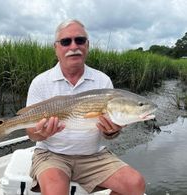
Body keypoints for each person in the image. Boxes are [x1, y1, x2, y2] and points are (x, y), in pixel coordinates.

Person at [26, 19, 145, 195]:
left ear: (87, 45)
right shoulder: (40, 82)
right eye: (66, 41)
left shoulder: (102, 81)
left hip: (94, 156)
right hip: (52, 155)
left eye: (80, 40)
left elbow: (110, 134)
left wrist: (111, 131)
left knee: (135, 184)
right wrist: (41, 133)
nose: (73, 46)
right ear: (56, 48)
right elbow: (30, 133)